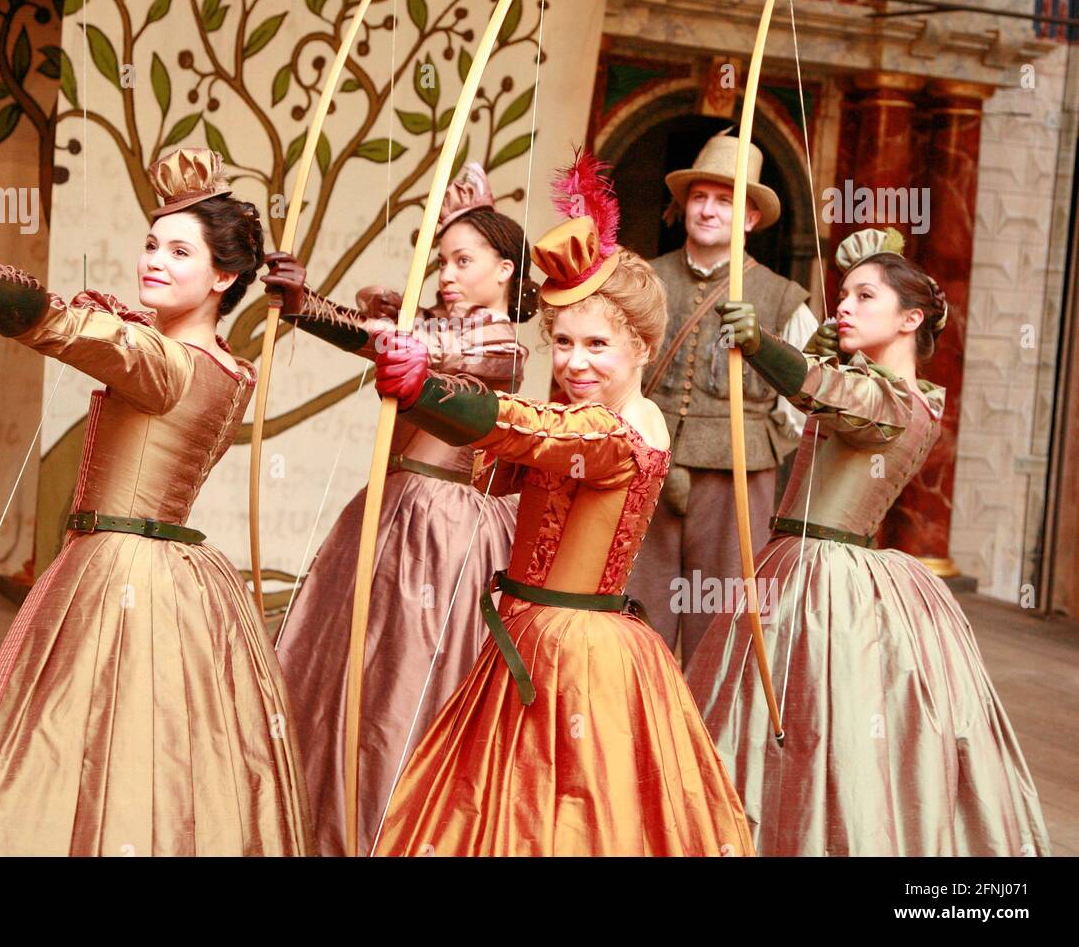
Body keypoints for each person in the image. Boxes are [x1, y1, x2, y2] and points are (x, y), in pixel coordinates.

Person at [0, 147, 313, 855]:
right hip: (166, 572)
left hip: (119, 573)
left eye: (180, 251)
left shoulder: (167, 361)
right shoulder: (229, 369)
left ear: (224, 275)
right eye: (151, 243)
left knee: (76, 743)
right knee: (146, 752)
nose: (155, 261)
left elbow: (56, 321)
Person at [370, 153, 753, 856]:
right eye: (566, 343)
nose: (576, 362)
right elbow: (520, 441)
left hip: (570, 654)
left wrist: (430, 388)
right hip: (530, 637)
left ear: (641, 345)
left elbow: (525, 425)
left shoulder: (616, 428)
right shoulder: (593, 413)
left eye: (598, 345)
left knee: (554, 815)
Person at [686, 227, 1051, 856]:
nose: (845, 305)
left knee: (816, 725)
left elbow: (836, 397)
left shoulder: (901, 403)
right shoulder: (869, 384)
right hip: (789, 566)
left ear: (910, 319)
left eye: (864, 296)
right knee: (765, 720)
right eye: (843, 295)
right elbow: (828, 392)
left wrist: (767, 346)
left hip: (825, 582)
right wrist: (817, 356)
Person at [263, 163, 536, 856]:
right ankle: (319, 822)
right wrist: (310, 306)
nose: (446, 273)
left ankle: (385, 830)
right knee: (344, 672)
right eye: (440, 258)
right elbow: (395, 336)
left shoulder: (499, 344)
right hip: (390, 512)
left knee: (398, 684)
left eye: (462, 260)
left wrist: (310, 307)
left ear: (505, 269)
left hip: (440, 533)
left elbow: (403, 346)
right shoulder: (443, 328)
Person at [627, 130, 817, 664]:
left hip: (738, 474)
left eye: (726, 200)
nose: (708, 210)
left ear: (751, 218)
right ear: (685, 205)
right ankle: (638, 729)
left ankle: (705, 736)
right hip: (649, 467)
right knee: (637, 608)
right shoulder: (645, 280)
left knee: (723, 617)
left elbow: (805, 402)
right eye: (700, 197)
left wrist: (762, 448)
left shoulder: (783, 298)